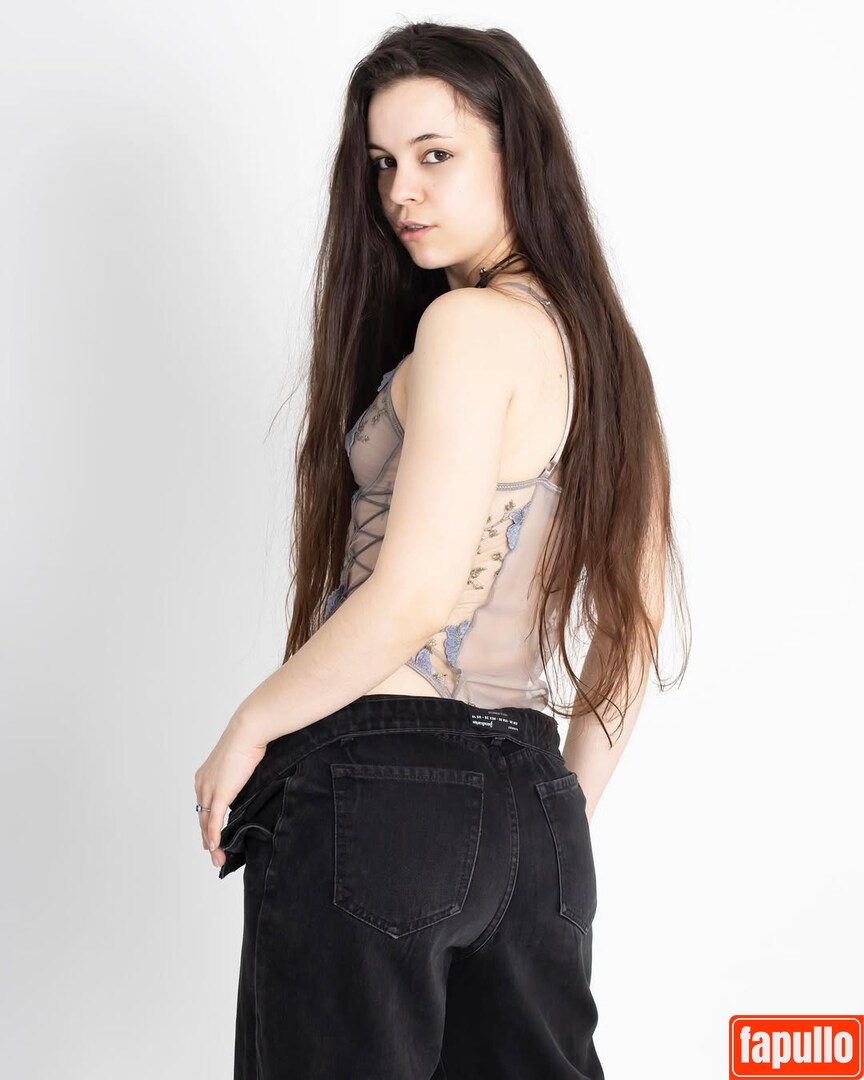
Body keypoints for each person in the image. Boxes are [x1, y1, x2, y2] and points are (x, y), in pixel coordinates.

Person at [194, 19, 690, 1080]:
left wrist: (251, 724)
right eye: (383, 164)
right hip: (538, 816)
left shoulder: (466, 325)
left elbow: (416, 594)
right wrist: (549, 817)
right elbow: (634, 628)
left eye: (435, 154)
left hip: (382, 783)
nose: (401, 192)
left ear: (521, 152)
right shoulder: (608, 360)